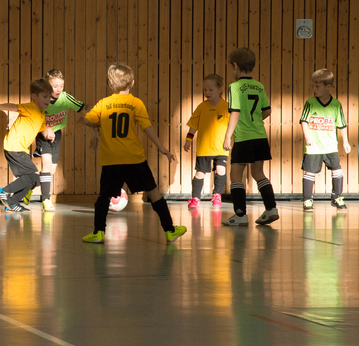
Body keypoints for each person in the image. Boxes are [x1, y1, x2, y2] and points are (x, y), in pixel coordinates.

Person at [81, 63, 187, 243]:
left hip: (111, 160)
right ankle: (169, 230)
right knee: (153, 192)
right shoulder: (136, 103)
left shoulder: (103, 103)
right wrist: (162, 149)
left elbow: (87, 121)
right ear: (132, 83)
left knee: (104, 197)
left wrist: (96, 121)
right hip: (133, 158)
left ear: (110, 84)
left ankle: (98, 232)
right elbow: (148, 128)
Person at [222, 47, 279, 226]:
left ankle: (240, 215)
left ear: (235, 65)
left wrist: (227, 136)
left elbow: (236, 112)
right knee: (258, 172)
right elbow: (267, 110)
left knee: (236, 174)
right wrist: (254, 120)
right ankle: (271, 209)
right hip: (260, 136)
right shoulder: (258, 85)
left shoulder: (235, 87)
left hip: (244, 137)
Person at [0, 79, 52, 212]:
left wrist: (49, 133)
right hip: (14, 147)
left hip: (21, 149)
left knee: (34, 181)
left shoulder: (41, 114)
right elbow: (14, 106)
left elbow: (43, 130)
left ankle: (12, 202)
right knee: (33, 177)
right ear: (34, 97)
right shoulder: (31, 107)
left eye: (49, 97)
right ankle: (4, 191)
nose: (48, 99)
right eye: (45, 96)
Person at [24, 69, 85, 212]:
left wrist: (94, 121)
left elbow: (82, 110)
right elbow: (32, 116)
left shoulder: (65, 98)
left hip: (56, 135)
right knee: (45, 163)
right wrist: (45, 129)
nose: (58, 89)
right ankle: (46, 199)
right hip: (42, 134)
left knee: (50, 170)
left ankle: (28, 187)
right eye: (54, 86)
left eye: (61, 86)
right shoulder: (41, 100)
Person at [300, 69, 350, 211]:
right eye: (313, 86)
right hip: (313, 147)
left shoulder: (336, 104)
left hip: (330, 146)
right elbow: (304, 121)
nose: (314, 89)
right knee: (309, 172)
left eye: (317, 86)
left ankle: (337, 197)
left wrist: (345, 141)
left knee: (337, 170)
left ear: (328, 87)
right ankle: (307, 200)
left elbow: (342, 124)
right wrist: (307, 135)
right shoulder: (310, 103)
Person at [183, 74, 230, 209]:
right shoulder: (201, 107)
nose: (207, 93)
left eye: (211, 90)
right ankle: (195, 198)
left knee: (220, 170)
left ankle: (217, 196)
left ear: (220, 90)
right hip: (204, 147)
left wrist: (229, 140)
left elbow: (232, 125)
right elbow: (193, 125)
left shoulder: (226, 107)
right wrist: (188, 140)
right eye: (205, 90)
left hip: (221, 148)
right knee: (200, 173)